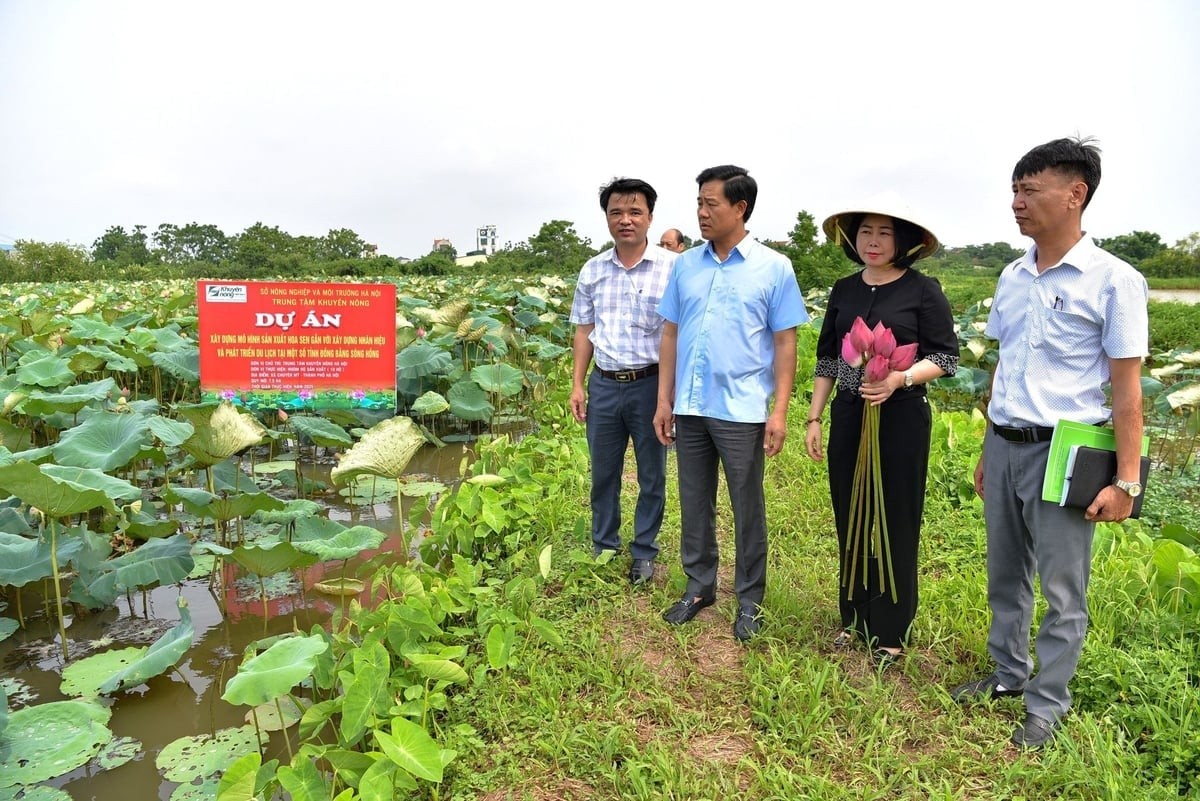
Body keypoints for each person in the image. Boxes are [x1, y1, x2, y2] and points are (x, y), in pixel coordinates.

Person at [950, 137, 1149, 750]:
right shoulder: (1012, 277)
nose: (1017, 202)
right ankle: (1007, 675)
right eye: (1014, 190)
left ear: (1075, 193)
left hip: (1066, 452)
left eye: (1029, 190)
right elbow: (1004, 367)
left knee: (1064, 587)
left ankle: (1048, 702)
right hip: (1007, 442)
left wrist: (1127, 480)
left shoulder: (1115, 281)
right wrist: (988, 447)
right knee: (1005, 573)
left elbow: (1127, 393)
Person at [653, 165, 809, 641]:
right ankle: (699, 587)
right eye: (698, 203)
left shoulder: (773, 267)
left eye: (711, 204)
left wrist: (779, 410)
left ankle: (750, 600)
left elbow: (785, 343)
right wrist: (665, 400)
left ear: (740, 208)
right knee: (694, 501)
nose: (701, 212)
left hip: (741, 409)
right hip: (691, 406)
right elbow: (671, 331)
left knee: (747, 505)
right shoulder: (686, 265)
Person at [805, 202, 958, 668]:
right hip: (850, 413)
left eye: (884, 233)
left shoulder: (923, 290)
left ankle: (890, 631)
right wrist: (815, 417)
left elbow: (946, 359)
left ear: (903, 242)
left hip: (902, 416)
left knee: (894, 516)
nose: (873, 241)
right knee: (850, 514)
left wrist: (900, 378)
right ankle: (853, 619)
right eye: (865, 232)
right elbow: (830, 358)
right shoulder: (843, 290)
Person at [570, 177, 678, 585]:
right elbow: (584, 330)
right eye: (616, 212)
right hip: (604, 383)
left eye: (635, 212)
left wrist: (669, 395)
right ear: (607, 218)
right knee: (604, 471)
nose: (625, 220)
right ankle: (604, 544)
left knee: (653, 473)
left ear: (650, 217)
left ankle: (645, 551)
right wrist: (578, 384)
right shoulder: (593, 269)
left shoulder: (673, 268)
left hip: (651, 384)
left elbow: (679, 331)